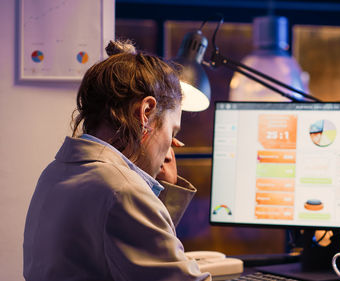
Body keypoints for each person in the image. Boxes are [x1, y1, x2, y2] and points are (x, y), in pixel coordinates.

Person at [23, 40, 211, 281]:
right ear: (146, 113)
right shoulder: (122, 191)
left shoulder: (54, 172)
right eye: (172, 132)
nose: (169, 149)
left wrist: (160, 188)